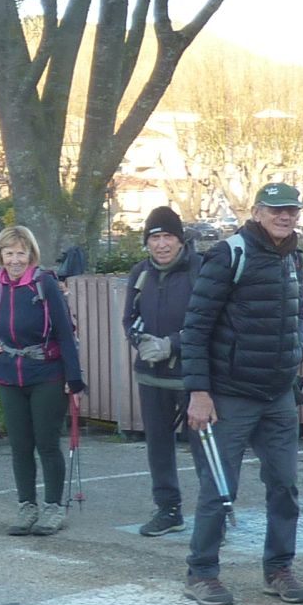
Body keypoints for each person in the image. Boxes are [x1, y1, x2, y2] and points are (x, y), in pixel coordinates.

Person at [181, 182, 303, 605]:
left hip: (277, 395)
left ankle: (279, 568)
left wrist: (296, 358)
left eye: (290, 209)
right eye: (275, 210)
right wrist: (199, 392)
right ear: (256, 212)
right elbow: (196, 326)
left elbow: (296, 315)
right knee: (220, 487)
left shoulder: (293, 255)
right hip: (230, 394)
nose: (284, 216)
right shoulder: (229, 253)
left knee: (285, 485)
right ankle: (200, 573)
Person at [0, 226, 83, 536]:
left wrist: (74, 380)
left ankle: (53, 508)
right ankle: (27, 506)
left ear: (30, 254)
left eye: (21, 252)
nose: (15, 259)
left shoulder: (44, 283)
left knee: (46, 444)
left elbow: (64, 332)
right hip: (9, 374)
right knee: (20, 446)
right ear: (0, 256)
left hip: (46, 373)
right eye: (9, 253)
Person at [123, 207, 203, 537]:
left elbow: (207, 322)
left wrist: (173, 343)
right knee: (158, 446)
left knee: (205, 449)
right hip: (151, 376)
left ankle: (215, 514)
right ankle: (168, 510)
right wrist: (140, 341)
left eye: (167, 236)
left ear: (180, 239)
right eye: (154, 238)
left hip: (193, 379)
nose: (161, 244)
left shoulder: (200, 271)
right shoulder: (140, 274)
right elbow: (130, 319)